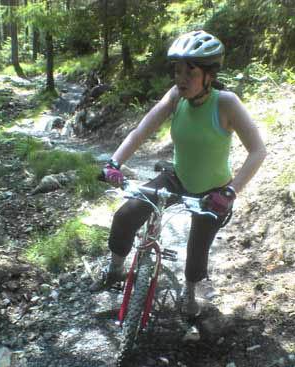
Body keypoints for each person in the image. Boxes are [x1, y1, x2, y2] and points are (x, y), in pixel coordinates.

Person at [101, 30, 266, 316]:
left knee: (196, 251)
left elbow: (258, 151)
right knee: (126, 215)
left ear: (209, 75)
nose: (181, 79)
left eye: (190, 73)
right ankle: (115, 268)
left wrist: (230, 191)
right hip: (177, 178)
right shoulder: (175, 97)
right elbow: (142, 130)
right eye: (178, 71)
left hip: (214, 191)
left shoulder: (226, 103)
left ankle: (190, 296)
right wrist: (114, 162)